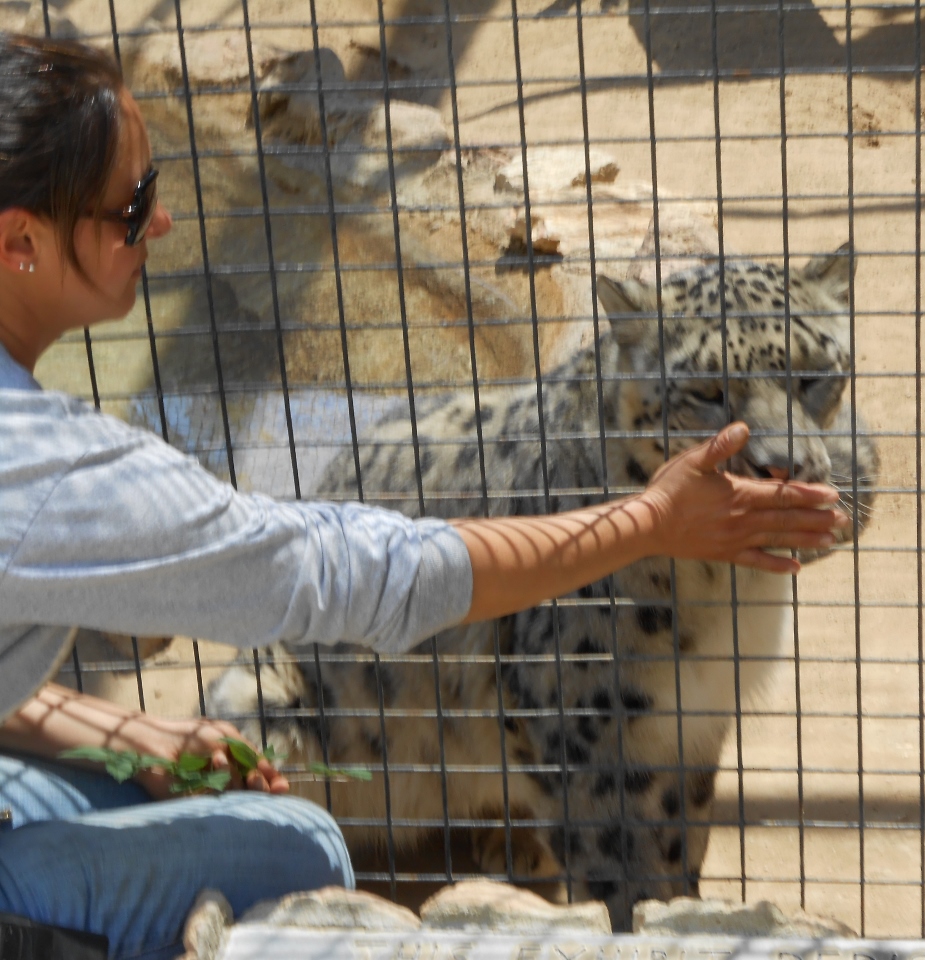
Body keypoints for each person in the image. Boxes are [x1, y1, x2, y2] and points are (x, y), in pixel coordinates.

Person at [0, 31, 846, 960]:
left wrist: (109, 725)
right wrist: (649, 520)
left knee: (151, 775)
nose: (160, 225)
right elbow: (343, 576)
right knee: (295, 845)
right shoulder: (53, 469)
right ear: (20, 238)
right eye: (133, 206)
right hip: (350, 724)